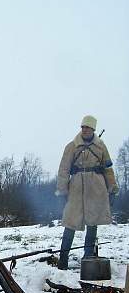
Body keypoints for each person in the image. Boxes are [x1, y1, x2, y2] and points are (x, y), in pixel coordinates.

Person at [55, 115, 118, 270]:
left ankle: (88, 258)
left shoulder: (101, 146)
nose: (84, 130)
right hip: (76, 187)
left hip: (96, 188)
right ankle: (63, 258)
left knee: (92, 223)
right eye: (83, 127)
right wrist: (62, 190)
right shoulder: (72, 146)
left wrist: (112, 188)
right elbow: (63, 170)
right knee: (70, 223)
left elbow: (108, 169)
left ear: (93, 129)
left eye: (88, 127)